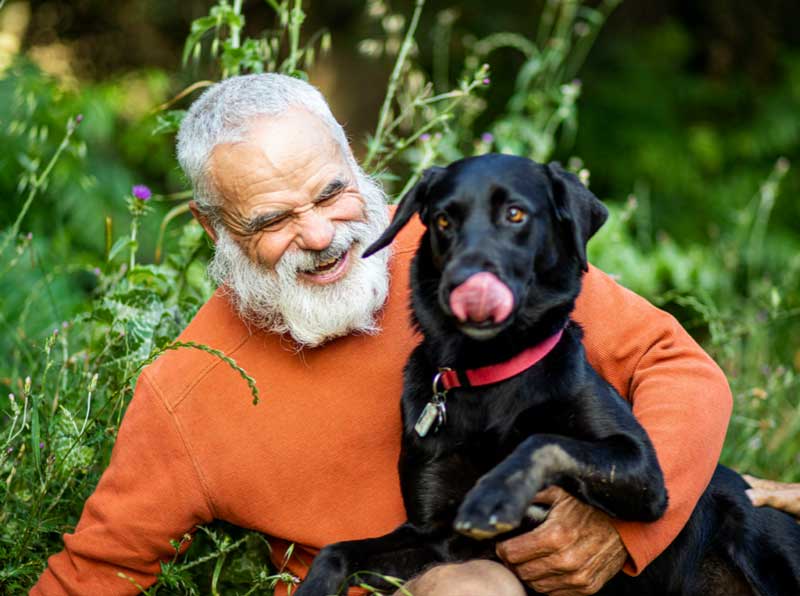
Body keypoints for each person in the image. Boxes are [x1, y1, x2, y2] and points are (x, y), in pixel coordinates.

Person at [29, 73, 789, 596]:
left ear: (356, 162)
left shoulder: (466, 267)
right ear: (213, 227)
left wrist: (622, 535)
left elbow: (681, 370)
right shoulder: (190, 389)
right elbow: (99, 565)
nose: (323, 235)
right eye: (273, 221)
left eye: (331, 191)